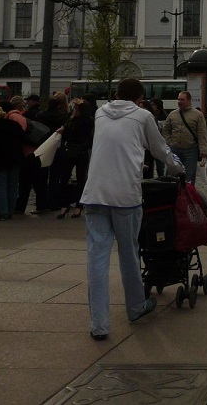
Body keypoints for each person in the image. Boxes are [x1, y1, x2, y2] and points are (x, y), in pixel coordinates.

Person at [79, 77, 184, 341]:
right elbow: (160, 149)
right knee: (129, 253)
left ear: (116, 94)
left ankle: (99, 325)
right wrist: (178, 168)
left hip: (95, 193)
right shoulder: (143, 116)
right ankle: (136, 306)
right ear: (140, 98)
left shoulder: (100, 113)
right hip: (125, 195)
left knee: (96, 259)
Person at [51, 97, 96, 219]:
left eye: (76, 108)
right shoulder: (79, 120)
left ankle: (68, 205)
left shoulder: (81, 121)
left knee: (70, 178)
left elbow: (70, 134)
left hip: (74, 150)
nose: (74, 110)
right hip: (79, 151)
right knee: (75, 178)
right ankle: (75, 206)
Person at [9, 95, 48, 215]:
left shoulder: (21, 116)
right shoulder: (40, 113)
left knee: (25, 181)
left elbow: (20, 134)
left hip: (27, 151)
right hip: (37, 149)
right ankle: (41, 205)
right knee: (38, 181)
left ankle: (20, 206)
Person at [162, 91, 207, 185]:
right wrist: (169, 142)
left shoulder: (198, 115)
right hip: (174, 149)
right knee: (171, 175)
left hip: (190, 150)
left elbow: (202, 133)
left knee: (190, 176)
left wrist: (203, 149)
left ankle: (187, 193)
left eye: (182, 99)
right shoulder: (172, 114)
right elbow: (165, 130)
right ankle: (171, 192)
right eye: (178, 99)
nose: (180, 101)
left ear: (189, 101)